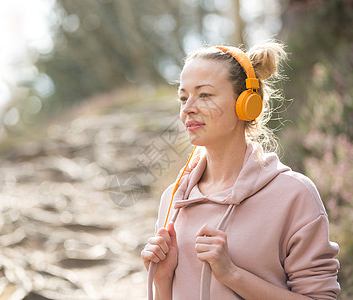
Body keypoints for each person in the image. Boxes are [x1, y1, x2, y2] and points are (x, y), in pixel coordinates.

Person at [141, 42, 340, 300]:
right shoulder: (174, 200)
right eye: (183, 97)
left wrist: (232, 274)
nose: (188, 107)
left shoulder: (294, 195)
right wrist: (162, 279)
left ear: (246, 104)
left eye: (205, 95)